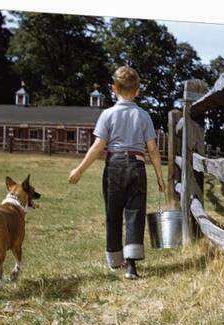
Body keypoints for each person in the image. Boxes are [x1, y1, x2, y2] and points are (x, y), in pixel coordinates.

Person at [68, 66, 165, 279]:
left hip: (113, 167)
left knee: (113, 214)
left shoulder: (107, 114)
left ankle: (114, 260)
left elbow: (97, 147)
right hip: (137, 167)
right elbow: (153, 150)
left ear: (114, 89)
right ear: (137, 91)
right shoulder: (144, 116)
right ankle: (131, 265)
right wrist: (159, 176)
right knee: (135, 213)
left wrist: (79, 170)